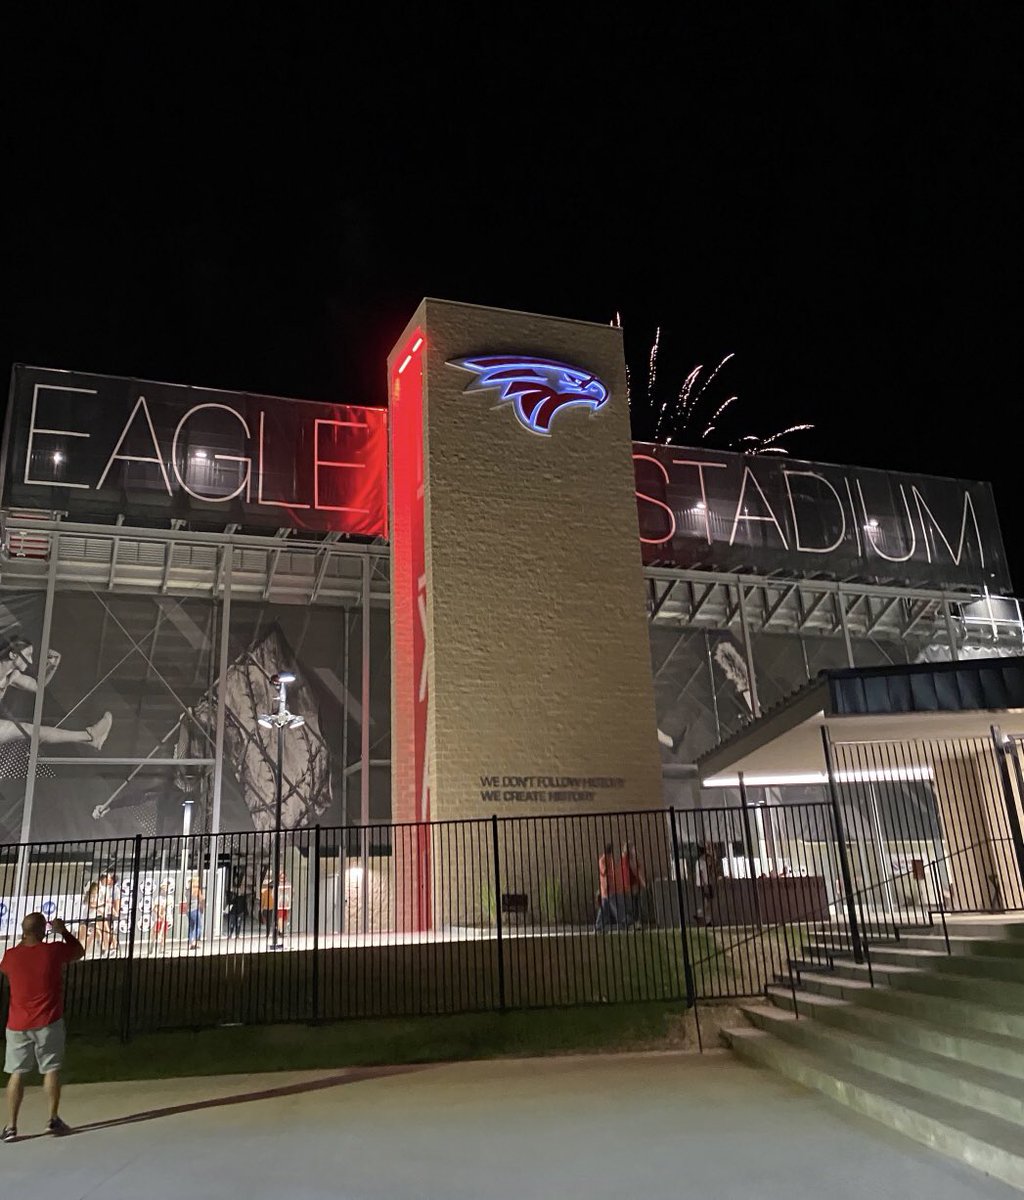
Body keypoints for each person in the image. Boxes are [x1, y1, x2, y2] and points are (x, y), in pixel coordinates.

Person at [1, 912, 84, 1142]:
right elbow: (78, 951)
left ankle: (11, 1125)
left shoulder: (11, 956)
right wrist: (63, 931)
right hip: (48, 1020)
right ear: (42, 931)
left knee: (17, 1072)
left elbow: (7, 967)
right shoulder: (52, 951)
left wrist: (25, 939)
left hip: (18, 1023)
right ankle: (52, 1118)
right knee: (51, 1069)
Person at [0, 638, 113, 776]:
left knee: (32, 730)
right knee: (28, 729)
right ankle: (90, 737)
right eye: (28, 655)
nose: (30, 661)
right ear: (13, 655)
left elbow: (37, 686)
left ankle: (90, 737)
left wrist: (52, 666)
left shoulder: (12, 675)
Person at [595, 843, 626, 931]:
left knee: (604, 908)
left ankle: (598, 925)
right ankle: (622, 922)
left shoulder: (609, 859)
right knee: (615, 906)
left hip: (609, 888)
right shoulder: (603, 860)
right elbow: (604, 871)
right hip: (607, 888)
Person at [621, 840, 648, 927]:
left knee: (634, 902)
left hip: (629, 883)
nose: (634, 849)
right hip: (633, 883)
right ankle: (634, 921)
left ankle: (633, 921)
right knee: (636, 903)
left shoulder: (625, 857)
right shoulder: (629, 858)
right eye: (633, 848)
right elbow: (635, 870)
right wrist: (642, 881)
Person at [95, 871, 121, 957]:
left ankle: (112, 948)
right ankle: (106, 948)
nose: (109, 879)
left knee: (109, 931)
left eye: (110, 878)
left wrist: (115, 913)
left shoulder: (114, 889)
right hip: (103, 912)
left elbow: (116, 902)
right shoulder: (103, 888)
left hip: (109, 912)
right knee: (103, 930)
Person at [149, 881, 171, 954]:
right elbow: (154, 908)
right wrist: (159, 915)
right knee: (155, 933)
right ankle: (151, 946)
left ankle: (162, 948)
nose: (165, 890)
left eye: (166, 888)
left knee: (164, 933)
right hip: (158, 919)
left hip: (166, 918)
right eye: (163, 888)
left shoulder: (168, 898)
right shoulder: (158, 898)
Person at [186, 876, 205, 950]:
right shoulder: (197, 890)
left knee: (191, 927)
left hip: (188, 911)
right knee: (198, 926)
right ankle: (194, 941)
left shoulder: (187, 891)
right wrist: (202, 908)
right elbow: (201, 899)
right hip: (195, 909)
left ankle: (190, 943)